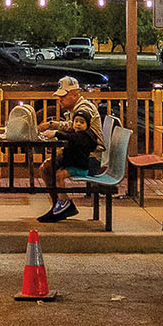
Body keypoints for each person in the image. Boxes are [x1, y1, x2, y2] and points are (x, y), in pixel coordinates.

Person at [38, 76, 104, 223]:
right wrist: (52, 125)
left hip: (90, 157)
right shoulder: (77, 108)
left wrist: (53, 129)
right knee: (48, 166)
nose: (60, 100)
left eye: (63, 96)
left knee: (48, 167)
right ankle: (59, 206)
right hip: (81, 153)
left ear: (75, 94)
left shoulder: (84, 110)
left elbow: (79, 135)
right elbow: (70, 126)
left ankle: (60, 207)